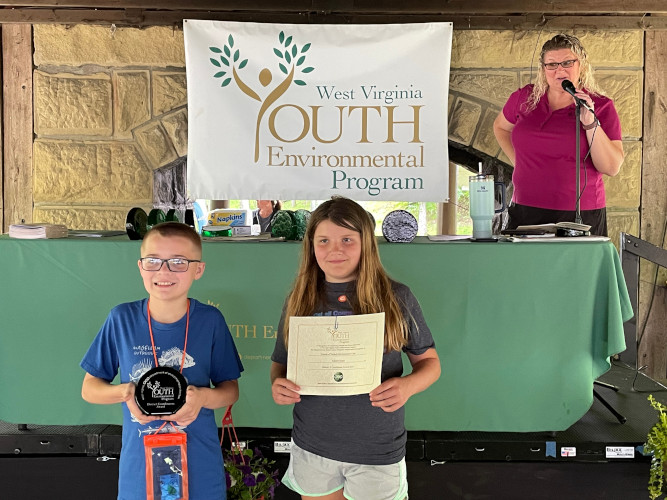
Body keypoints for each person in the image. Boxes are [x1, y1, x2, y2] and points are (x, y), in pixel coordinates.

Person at [270, 196, 441, 500]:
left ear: (366, 244)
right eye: (323, 240)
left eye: (347, 239)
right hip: (314, 444)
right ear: (311, 247)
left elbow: (430, 363)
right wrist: (278, 385)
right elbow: (280, 364)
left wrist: (407, 387)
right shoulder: (298, 299)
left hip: (376, 448)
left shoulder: (396, 297)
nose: (334, 249)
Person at [80, 222, 243, 500]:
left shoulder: (210, 321)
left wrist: (202, 398)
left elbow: (230, 391)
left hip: (200, 466)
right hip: (139, 468)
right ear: (141, 266)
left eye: (178, 262)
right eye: (153, 261)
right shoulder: (122, 319)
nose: (164, 271)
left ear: (198, 269)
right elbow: (89, 389)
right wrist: (126, 392)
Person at [493, 33, 625, 236]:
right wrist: (519, 162)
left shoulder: (600, 105)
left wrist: (590, 121)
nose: (559, 70)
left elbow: (611, 167)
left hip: (579, 214)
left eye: (567, 63)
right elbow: (500, 127)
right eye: (551, 65)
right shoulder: (524, 97)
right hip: (525, 208)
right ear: (543, 69)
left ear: (581, 65)